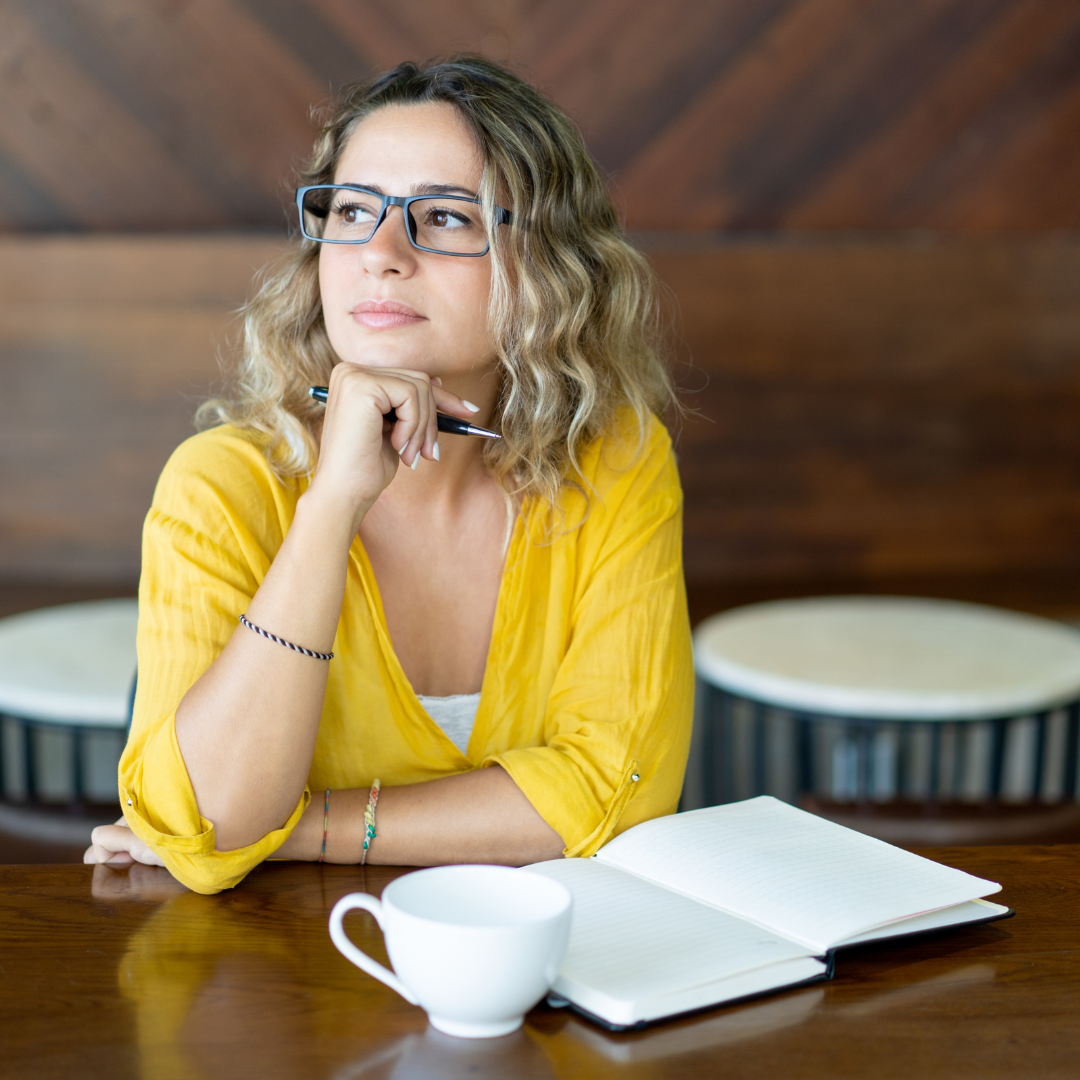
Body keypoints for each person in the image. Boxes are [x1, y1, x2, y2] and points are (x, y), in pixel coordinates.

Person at [84, 57, 694, 894]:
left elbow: (619, 795)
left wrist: (298, 829)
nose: (379, 253)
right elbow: (212, 822)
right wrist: (331, 505)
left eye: (442, 216)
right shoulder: (218, 487)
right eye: (352, 210)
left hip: (543, 958)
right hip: (274, 964)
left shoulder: (615, 461)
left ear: (547, 261)